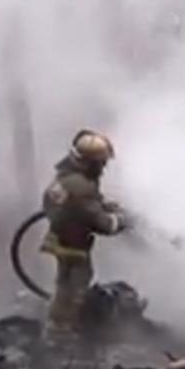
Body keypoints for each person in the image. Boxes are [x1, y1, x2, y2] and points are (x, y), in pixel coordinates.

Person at [40, 129, 128, 329]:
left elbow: (80, 204)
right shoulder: (80, 188)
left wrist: (103, 205)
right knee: (74, 287)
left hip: (61, 236)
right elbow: (104, 225)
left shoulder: (67, 176)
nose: (104, 168)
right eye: (101, 163)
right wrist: (121, 220)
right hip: (73, 245)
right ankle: (60, 331)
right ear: (90, 162)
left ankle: (59, 321)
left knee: (65, 282)